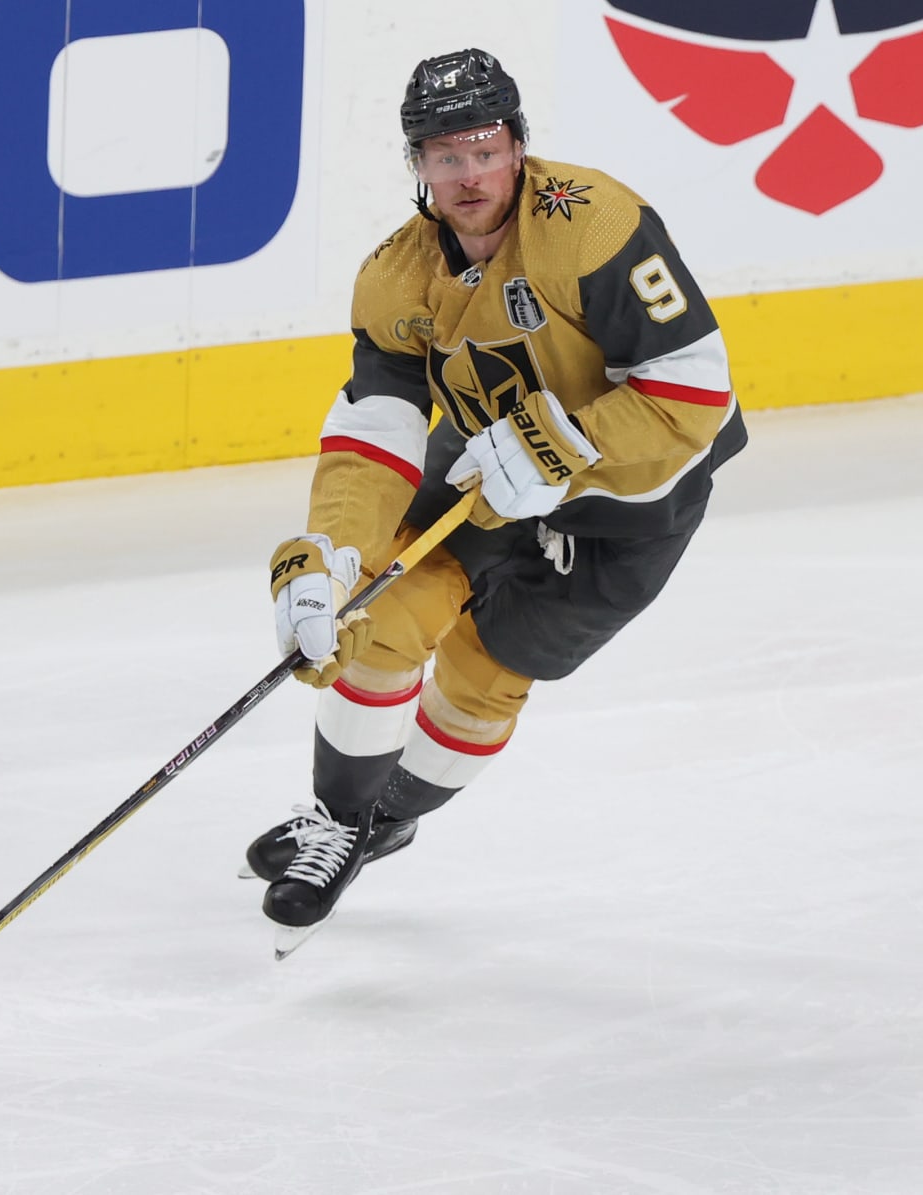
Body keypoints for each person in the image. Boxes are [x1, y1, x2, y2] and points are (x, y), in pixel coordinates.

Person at [249, 47, 747, 953]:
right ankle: (339, 820)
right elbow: (375, 428)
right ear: (418, 167)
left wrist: (571, 444)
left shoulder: (593, 223)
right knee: (378, 613)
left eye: (484, 147)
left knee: (484, 675)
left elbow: (693, 392)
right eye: (444, 155)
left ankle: (385, 818)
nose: (468, 173)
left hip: (626, 508)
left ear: (519, 145)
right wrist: (333, 551)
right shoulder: (398, 277)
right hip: (483, 468)